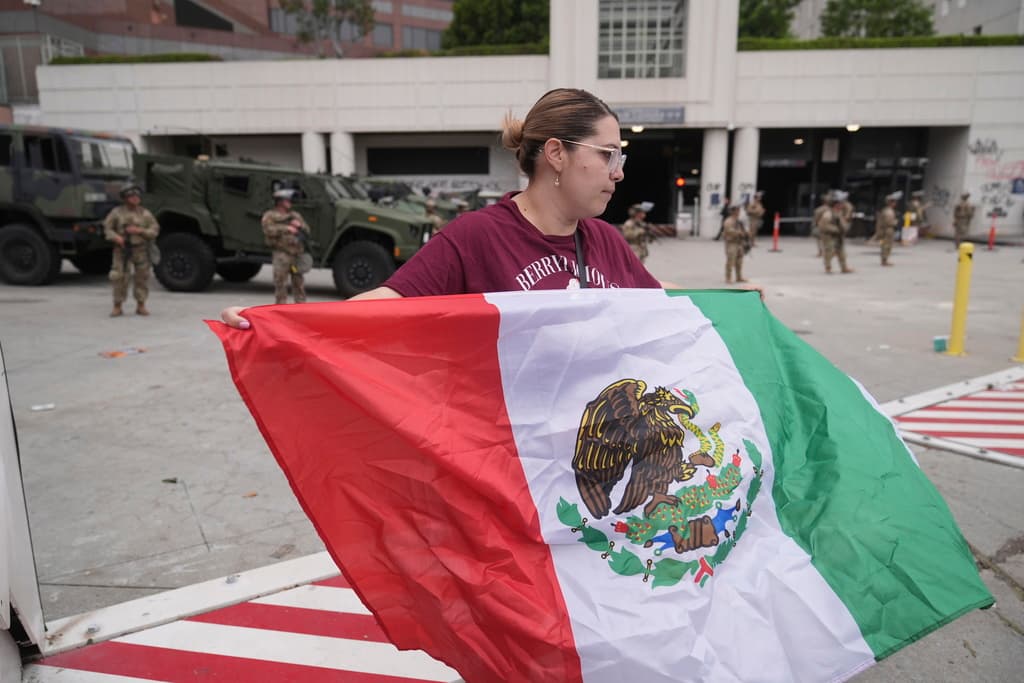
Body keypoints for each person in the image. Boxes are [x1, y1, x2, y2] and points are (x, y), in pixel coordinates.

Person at [223, 88, 665, 328]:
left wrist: (735, 305)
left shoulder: (606, 241)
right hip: (514, 463)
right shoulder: (476, 236)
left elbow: (670, 310)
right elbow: (385, 304)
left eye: (619, 158)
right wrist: (271, 322)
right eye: (608, 154)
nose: (618, 172)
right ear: (556, 153)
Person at [104, 182, 160, 317]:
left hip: (140, 250)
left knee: (142, 277)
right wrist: (116, 238)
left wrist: (139, 231)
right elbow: (107, 228)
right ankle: (118, 305)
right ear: (125, 198)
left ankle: (141, 305)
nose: (135, 198)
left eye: (137, 196)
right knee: (119, 277)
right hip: (121, 250)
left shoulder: (145, 214)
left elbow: (154, 230)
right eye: (131, 196)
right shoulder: (116, 213)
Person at [262, 188, 310, 305]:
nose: (290, 203)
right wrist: (286, 228)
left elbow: (307, 231)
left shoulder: (295, 215)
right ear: (280, 201)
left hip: (296, 254)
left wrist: (300, 226)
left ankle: (301, 308)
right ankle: (280, 308)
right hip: (281, 254)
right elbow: (268, 230)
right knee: (280, 284)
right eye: (287, 200)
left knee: (299, 283)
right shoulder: (270, 215)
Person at [817, 197, 854, 274]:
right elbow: (823, 226)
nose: (842, 206)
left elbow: (843, 223)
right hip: (829, 236)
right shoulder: (828, 214)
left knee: (842, 252)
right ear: (836, 205)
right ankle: (828, 267)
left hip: (838, 236)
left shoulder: (839, 213)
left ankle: (844, 267)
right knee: (829, 251)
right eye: (840, 204)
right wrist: (836, 229)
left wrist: (844, 228)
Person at [722, 204, 748, 284]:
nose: (738, 212)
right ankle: (728, 278)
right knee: (731, 261)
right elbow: (729, 230)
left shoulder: (738, 220)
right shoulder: (728, 221)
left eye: (738, 210)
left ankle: (739, 277)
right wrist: (739, 233)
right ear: (732, 211)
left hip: (739, 243)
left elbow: (742, 229)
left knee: (739, 261)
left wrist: (745, 234)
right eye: (736, 210)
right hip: (731, 243)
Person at [877, 192, 900, 266]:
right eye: (894, 202)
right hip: (888, 230)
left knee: (886, 245)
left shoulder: (886, 210)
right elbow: (888, 222)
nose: (895, 203)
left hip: (887, 229)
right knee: (887, 245)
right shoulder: (888, 211)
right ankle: (884, 260)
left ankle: (885, 259)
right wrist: (895, 222)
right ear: (891, 203)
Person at [812, 191, 832, 257]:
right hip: (830, 227)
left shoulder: (818, 209)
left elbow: (815, 219)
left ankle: (821, 252)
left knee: (819, 240)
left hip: (820, 226)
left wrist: (814, 226)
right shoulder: (831, 210)